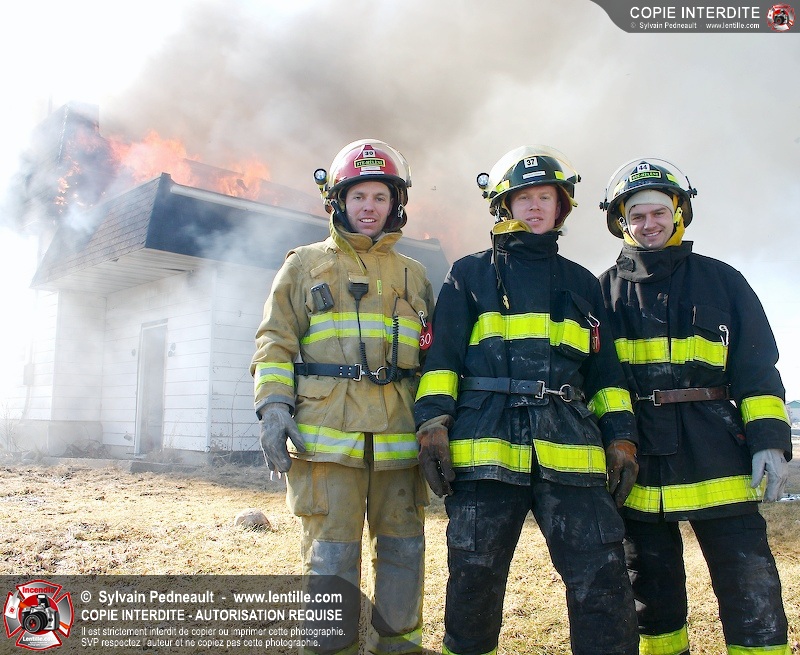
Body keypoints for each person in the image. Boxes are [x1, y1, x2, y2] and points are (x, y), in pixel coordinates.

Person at [413, 145, 640, 655]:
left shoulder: (583, 283)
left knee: (602, 576)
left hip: (571, 449)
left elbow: (605, 374)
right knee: (474, 578)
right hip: (486, 449)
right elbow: (442, 359)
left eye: (545, 197)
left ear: (561, 207)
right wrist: (432, 424)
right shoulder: (468, 275)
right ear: (504, 205)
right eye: (524, 197)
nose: (535, 206)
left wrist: (622, 437)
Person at [597, 158, 792, 655]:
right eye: (637, 215)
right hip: (641, 462)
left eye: (659, 212)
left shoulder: (723, 281)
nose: (650, 224)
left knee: (749, 582)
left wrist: (769, 441)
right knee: (652, 592)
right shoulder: (602, 293)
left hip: (718, 454)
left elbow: (757, 369)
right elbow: (600, 380)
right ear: (622, 222)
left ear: (679, 213)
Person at [250, 139, 435, 655]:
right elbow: (274, 342)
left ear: (395, 203)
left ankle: (397, 649)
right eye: (358, 196)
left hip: (399, 445)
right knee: (331, 562)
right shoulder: (303, 265)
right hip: (327, 445)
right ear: (338, 201)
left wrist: (436, 426)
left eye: (380, 196)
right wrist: (274, 408)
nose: (369, 207)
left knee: (404, 554)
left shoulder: (415, 275)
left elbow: (432, 361)